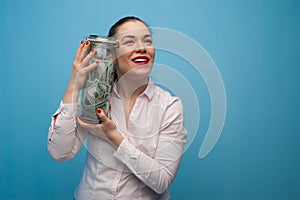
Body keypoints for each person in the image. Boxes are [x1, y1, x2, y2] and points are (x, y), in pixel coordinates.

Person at [48, 16, 187, 200]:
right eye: (130, 41)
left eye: (147, 41)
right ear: (111, 54)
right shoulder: (95, 97)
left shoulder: (169, 106)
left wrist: (114, 137)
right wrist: (74, 86)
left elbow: (161, 181)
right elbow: (60, 153)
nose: (142, 47)